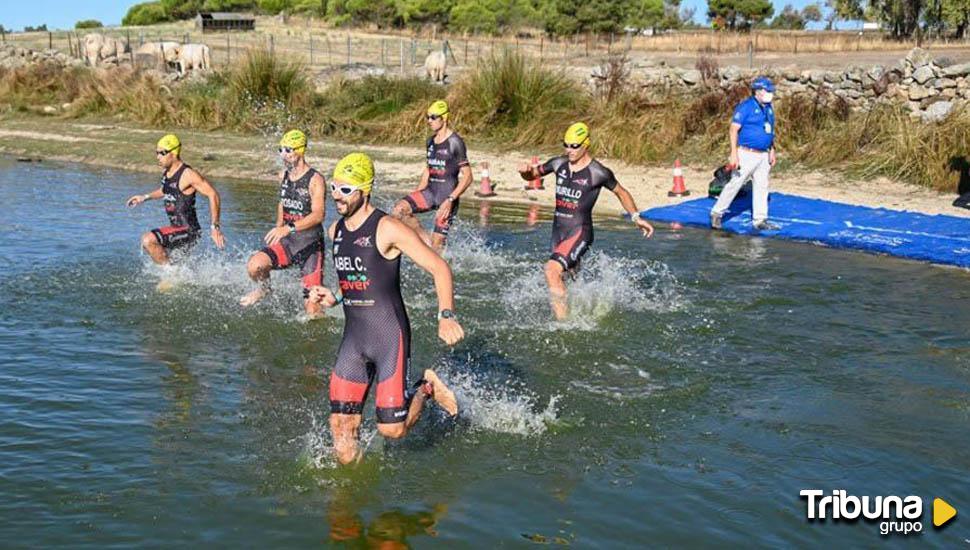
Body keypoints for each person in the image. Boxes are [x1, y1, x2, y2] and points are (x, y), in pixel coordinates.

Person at [308, 153, 465, 465]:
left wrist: (446, 315)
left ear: (364, 191)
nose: (337, 196)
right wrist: (336, 298)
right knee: (340, 428)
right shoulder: (336, 230)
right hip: (353, 340)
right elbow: (358, 275)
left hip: (388, 337)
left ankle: (426, 388)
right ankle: (348, 504)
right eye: (335, 187)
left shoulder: (387, 228)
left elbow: (439, 268)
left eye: (346, 190)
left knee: (391, 429)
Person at [517, 122, 654, 320]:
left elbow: (621, 192)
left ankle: (563, 326)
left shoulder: (599, 172)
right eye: (566, 145)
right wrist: (524, 171)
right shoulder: (558, 164)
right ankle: (586, 310)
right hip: (558, 231)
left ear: (586, 144)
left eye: (575, 146)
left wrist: (636, 217)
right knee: (568, 277)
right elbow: (532, 174)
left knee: (551, 270)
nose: (569, 150)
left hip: (580, 231)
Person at [239, 130, 326, 317]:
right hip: (287, 242)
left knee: (312, 311)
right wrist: (279, 228)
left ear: (300, 151)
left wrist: (289, 227)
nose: (283, 154)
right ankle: (265, 289)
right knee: (255, 266)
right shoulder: (284, 176)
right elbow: (283, 203)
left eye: (288, 150)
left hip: (310, 246)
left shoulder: (315, 179)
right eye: (280, 149)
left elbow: (319, 215)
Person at [126, 134, 225, 264]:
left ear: (173, 153)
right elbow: (165, 190)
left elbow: (213, 194)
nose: (158, 157)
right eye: (156, 153)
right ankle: (174, 274)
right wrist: (145, 197)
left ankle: (169, 274)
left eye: (162, 153)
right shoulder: (167, 172)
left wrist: (215, 227)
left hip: (188, 230)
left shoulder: (188, 174)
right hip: (176, 228)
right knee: (152, 248)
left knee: (148, 240)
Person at [391, 100, 472, 252]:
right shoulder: (430, 141)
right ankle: (426, 242)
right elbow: (428, 169)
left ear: (444, 118)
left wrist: (450, 200)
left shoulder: (455, 142)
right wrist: (417, 192)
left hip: (447, 198)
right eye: (427, 117)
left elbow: (468, 176)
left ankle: (438, 258)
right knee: (399, 210)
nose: (429, 121)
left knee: (437, 248)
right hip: (430, 192)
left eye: (433, 117)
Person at [710, 76, 779, 231]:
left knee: (762, 186)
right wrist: (734, 153)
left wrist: (772, 150)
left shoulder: (768, 107)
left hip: (763, 154)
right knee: (735, 183)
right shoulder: (746, 107)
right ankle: (717, 212)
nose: (770, 94)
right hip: (746, 153)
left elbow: (770, 130)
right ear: (758, 91)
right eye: (767, 91)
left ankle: (760, 219)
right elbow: (734, 129)